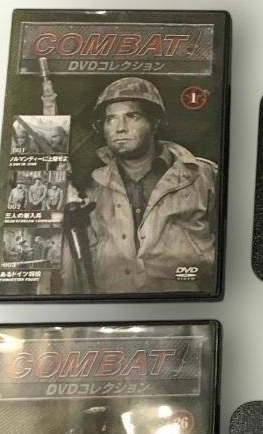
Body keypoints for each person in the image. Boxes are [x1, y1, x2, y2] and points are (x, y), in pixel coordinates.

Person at [63, 77, 217, 293]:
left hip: (186, 302)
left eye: (132, 116)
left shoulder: (203, 176)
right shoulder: (90, 185)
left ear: (155, 123)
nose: (120, 128)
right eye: (110, 119)